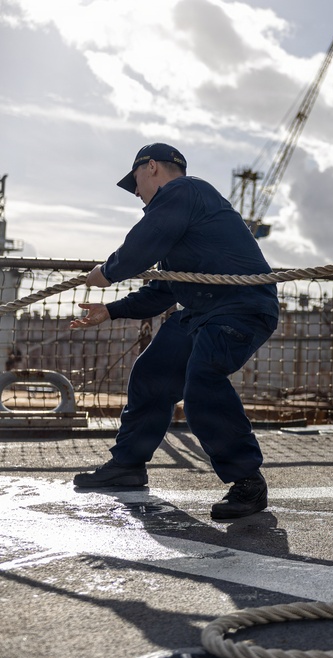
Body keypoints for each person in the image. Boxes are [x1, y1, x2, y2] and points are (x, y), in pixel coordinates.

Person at [72, 143, 280, 521]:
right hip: (202, 311)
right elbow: (166, 288)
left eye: (135, 181)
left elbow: (139, 246)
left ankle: (247, 480)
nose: (137, 193)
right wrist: (111, 310)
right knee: (152, 373)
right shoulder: (184, 223)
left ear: (151, 167)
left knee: (203, 380)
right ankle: (128, 466)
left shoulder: (185, 191)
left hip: (242, 307)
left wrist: (107, 271)